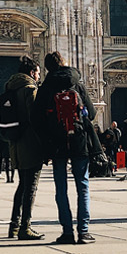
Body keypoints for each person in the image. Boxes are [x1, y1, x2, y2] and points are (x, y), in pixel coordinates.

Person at [35, 50, 97, 244]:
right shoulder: (76, 82)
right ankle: (84, 231)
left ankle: (67, 232)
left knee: (61, 188)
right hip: (79, 140)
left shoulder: (46, 87)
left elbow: (36, 118)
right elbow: (92, 114)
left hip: (57, 142)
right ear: (63, 63)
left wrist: (47, 139)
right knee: (83, 186)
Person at [0, 55, 46, 240]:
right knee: (31, 187)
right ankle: (25, 227)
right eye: (38, 73)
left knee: (22, 185)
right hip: (30, 143)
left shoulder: (10, 87)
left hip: (15, 143)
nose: (39, 77)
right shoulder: (29, 89)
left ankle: (14, 225)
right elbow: (36, 118)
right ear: (32, 73)